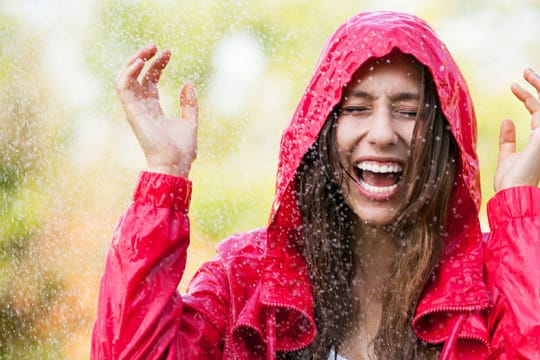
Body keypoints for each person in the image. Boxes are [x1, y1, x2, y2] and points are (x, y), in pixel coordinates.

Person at [91, 10, 540, 359]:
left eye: (408, 111)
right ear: (319, 134)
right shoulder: (248, 280)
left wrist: (520, 209)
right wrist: (165, 173)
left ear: (443, 137)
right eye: (357, 108)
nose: (383, 133)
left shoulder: (487, 283)